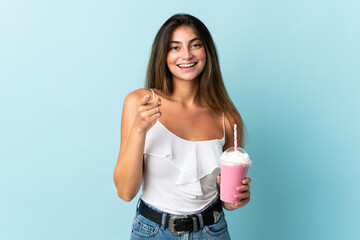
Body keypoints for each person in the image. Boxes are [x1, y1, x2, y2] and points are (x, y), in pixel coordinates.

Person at [113, 13, 251, 239]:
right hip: (153, 231)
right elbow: (125, 192)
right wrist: (139, 130)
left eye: (195, 45)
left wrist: (236, 199)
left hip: (212, 231)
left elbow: (227, 198)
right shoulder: (140, 103)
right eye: (175, 47)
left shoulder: (228, 118)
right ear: (163, 55)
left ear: (207, 51)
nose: (186, 55)